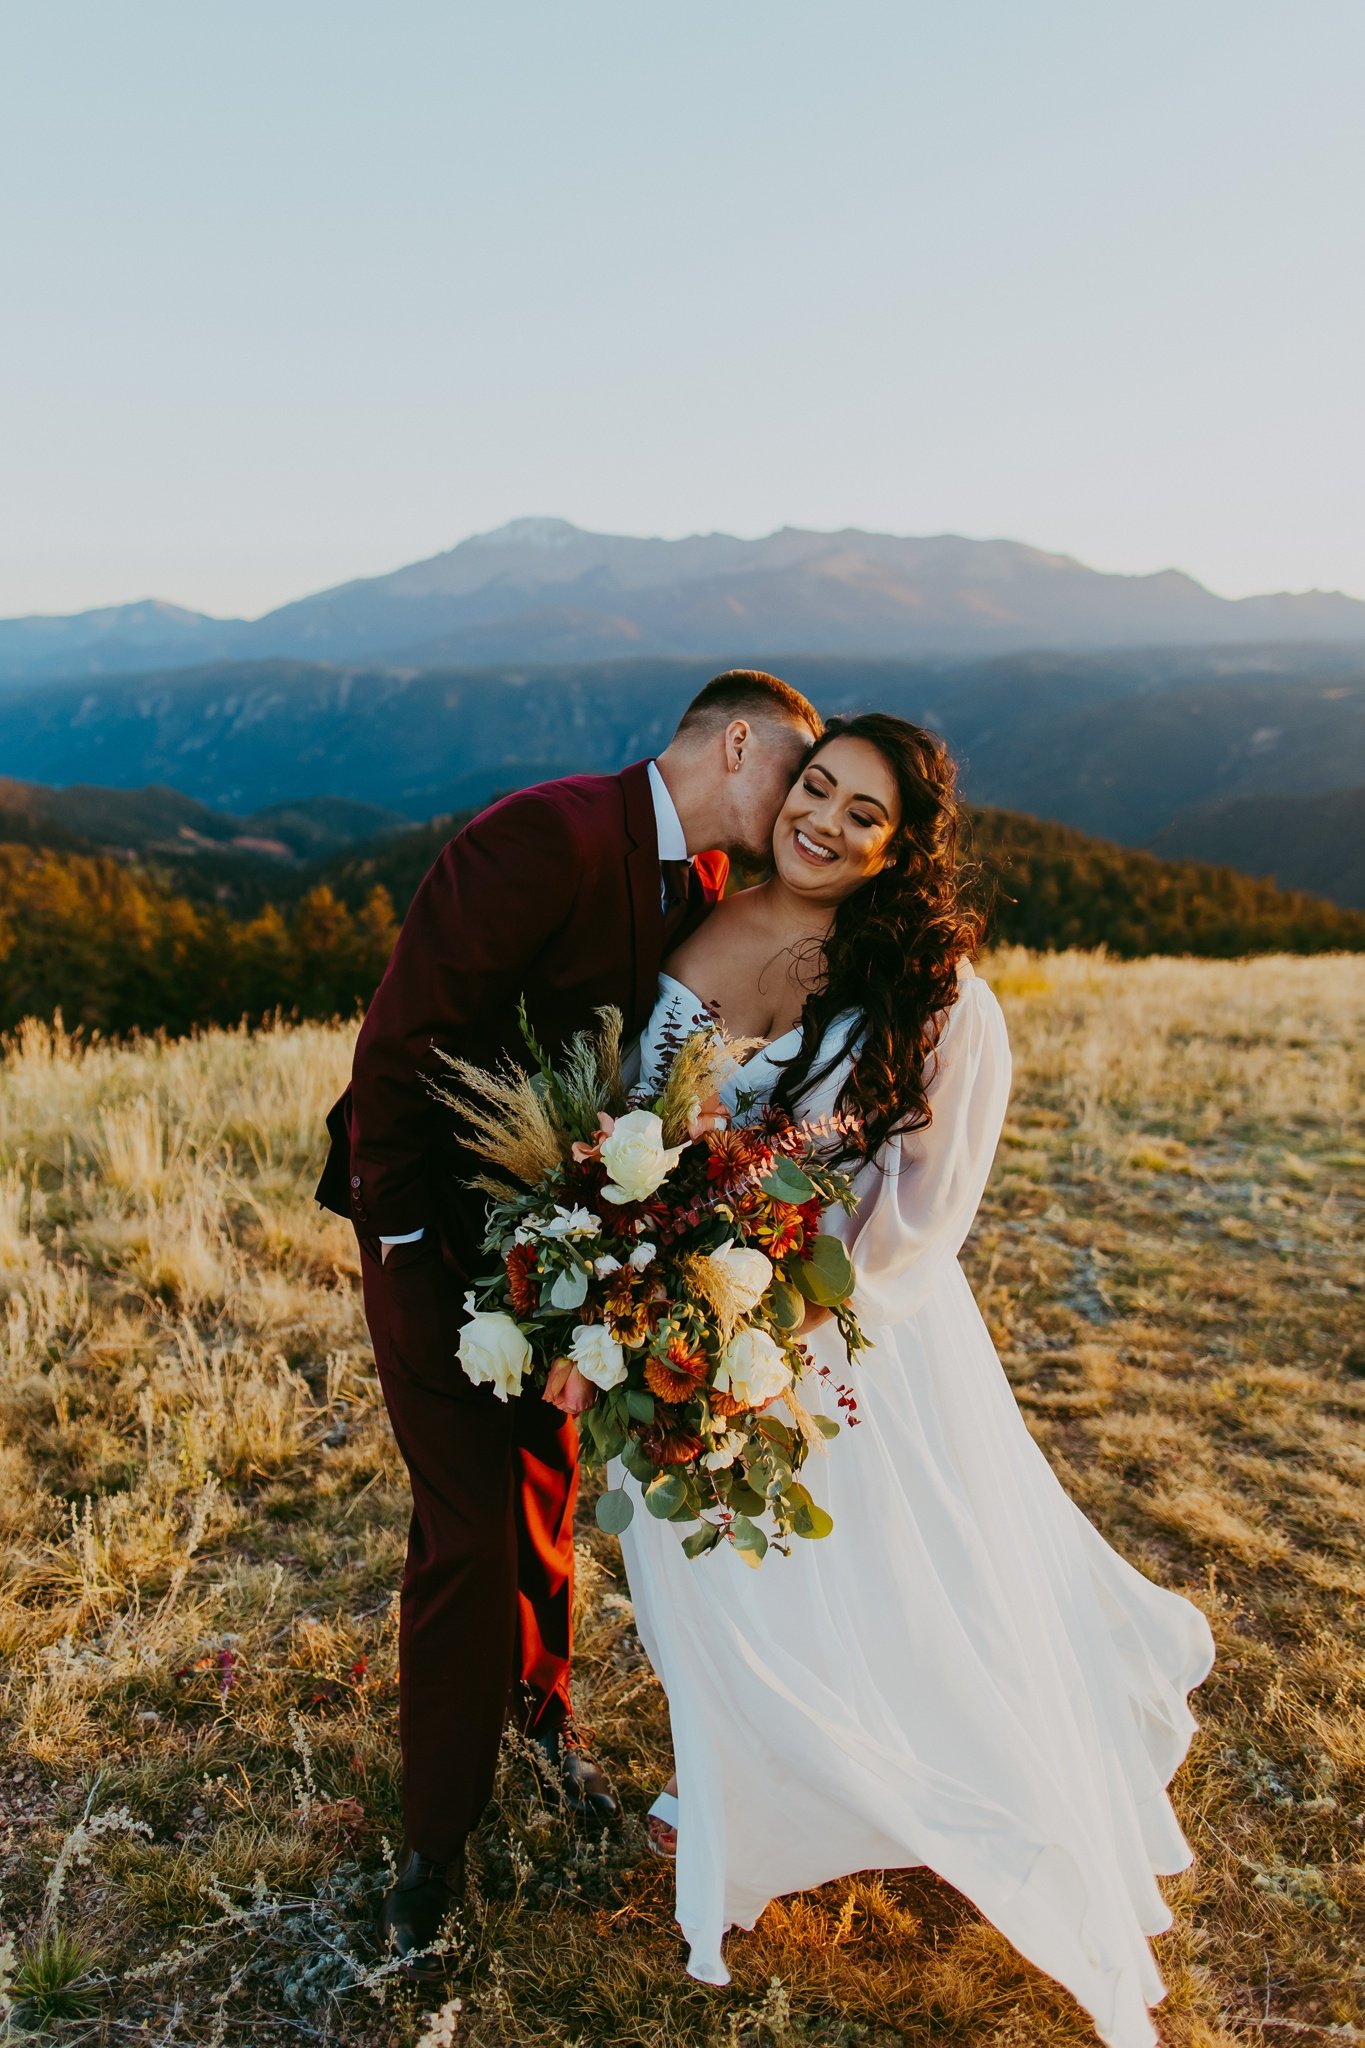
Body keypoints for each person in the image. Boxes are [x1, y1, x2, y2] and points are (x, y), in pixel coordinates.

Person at [569, 713, 1214, 2048]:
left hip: (843, 1344)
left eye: (866, 814)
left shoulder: (936, 996)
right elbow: (634, 1112)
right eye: (816, 789)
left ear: (901, 848)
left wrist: (787, 1339)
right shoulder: (692, 927)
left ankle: (933, 1780)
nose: (825, 822)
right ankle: (752, 1800)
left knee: (872, 1582)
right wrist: (647, 1262)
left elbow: (927, 1214)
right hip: (678, 1320)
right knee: (720, 1591)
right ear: (782, 787)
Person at [314, 668, 821, 1971]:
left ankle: (539, 1720)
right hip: (429, 1234)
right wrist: (407, 1234)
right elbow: (403, 1036)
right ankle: (432, 1843)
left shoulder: (699, 887)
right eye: (795, 779)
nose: (800, 808)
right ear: (738, 744)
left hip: (559, 1254)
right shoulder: (550, 834)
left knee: (541, 1482)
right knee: (470, 1534)